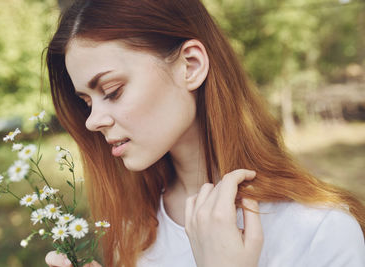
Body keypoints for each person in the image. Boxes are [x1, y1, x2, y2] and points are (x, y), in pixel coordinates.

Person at [44, 0, 365, 266]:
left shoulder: (320, 230)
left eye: (112, 91)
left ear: (191, 66)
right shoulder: (134, 232)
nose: (91, 121)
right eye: (86, 102)